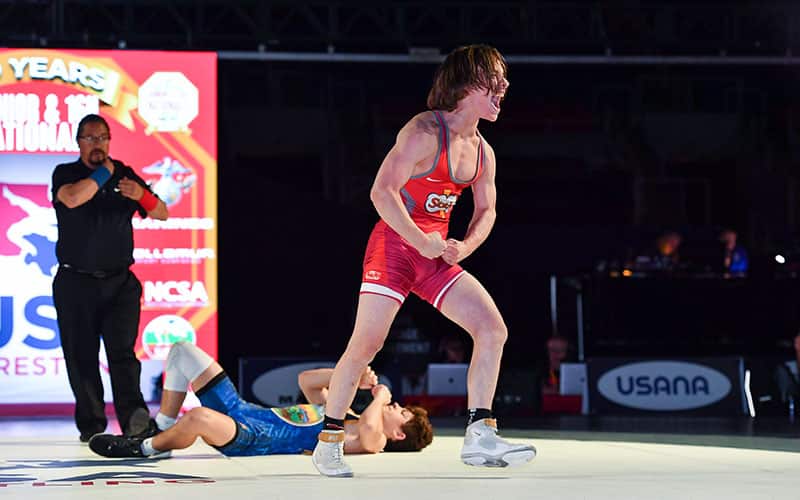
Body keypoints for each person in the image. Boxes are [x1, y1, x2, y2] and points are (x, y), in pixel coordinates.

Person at [311, 44, 536, 477]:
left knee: (492, 329)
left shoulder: (483, 151)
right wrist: (419, 238)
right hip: (394, 247)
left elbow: (487, 210)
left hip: (434, 256)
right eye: (495, 79)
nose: (504, 87)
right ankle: (330, 439)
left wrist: (463, 248)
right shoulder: (423, 132)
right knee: (366, 345)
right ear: (468, 84)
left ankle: (479, 434)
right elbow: (381, 193)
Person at [88, 342, 433, 458]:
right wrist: (353, 379)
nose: (394, 406)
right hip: (245, 410)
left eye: (401, 413)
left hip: (253, 438)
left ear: (399, 434)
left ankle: (145, 447)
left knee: (197, 419)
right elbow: (307, 381)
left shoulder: (369, 440)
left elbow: (374, 430)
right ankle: (160, 426)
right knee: (183, 352)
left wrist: (381, 393)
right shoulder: (346, 412)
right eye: (397, 404)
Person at [51, 114, 169, 442]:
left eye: (103, 137)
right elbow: (73, 198)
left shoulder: (125, 175)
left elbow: (162, 211)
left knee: (123, 355)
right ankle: (92, 427)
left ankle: (135, 420)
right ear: (79, 142)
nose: (98, 144)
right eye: (90, 138)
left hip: (119, 283)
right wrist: (107, 173)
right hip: (75, 283)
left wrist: (141, 196)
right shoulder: (66, 173)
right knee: (81, 356)